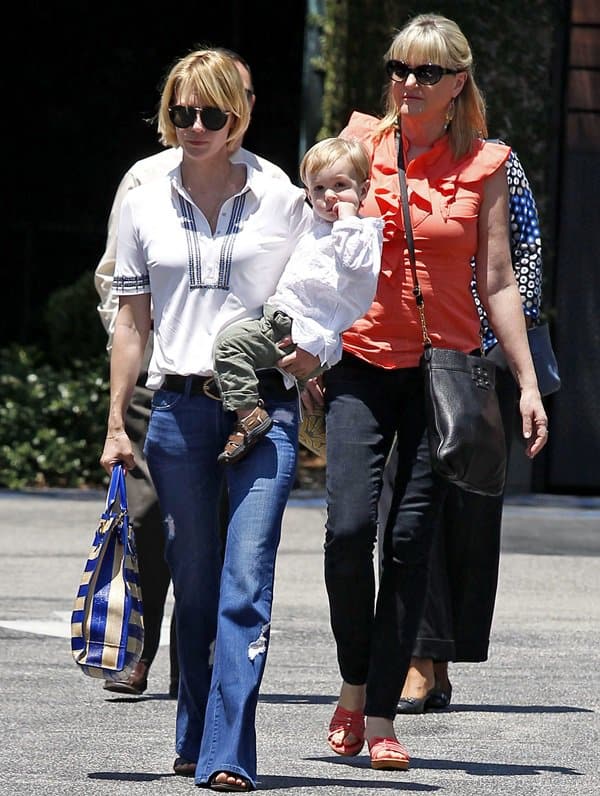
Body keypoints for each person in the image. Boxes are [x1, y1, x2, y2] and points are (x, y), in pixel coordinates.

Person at [302, 13, 548, 771]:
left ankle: (378, 717)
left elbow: (497, 279)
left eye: (427, 73)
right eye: (400, 68)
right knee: (347, 534)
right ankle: (353, 682)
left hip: (441, 376)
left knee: (407, 547)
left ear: (457, 83)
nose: (409, 84)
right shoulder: (360, 145)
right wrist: (305, 349)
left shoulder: (486, 164)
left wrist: (528, 382)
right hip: (359, 365)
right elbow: (308, 247)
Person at [100, 48, 313, 792]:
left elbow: (313, 303)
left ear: (239, 117)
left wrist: (310, 358)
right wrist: (115, 422)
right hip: (178, 413)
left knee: (244, 584)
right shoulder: (143, 196)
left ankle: (228, 754)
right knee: (192, 587)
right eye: (180, 112)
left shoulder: (283, 198)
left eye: (210, 114)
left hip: (263, 412)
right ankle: (192, 735)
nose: (193, 126)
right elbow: (132, 319)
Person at [392, 146, 544, 713]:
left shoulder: (498, 164)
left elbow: (522, 264)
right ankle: (416, 659)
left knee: (466, 514)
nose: (413, 85)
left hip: (475, 362)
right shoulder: (385, 155)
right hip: (400, 358)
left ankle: (439, 660)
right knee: (405, 508)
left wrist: (488, 343)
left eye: (430, 72)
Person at [213, 137, 383, 465]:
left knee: (228, 346)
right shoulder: (315, 227)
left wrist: (348, 217)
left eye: (340, 185)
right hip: (286, 322)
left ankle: (249, 416)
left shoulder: (361, 234)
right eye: (318, 189)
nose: (330, 196)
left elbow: (352, 265)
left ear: (363, 191)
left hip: (301, 329)